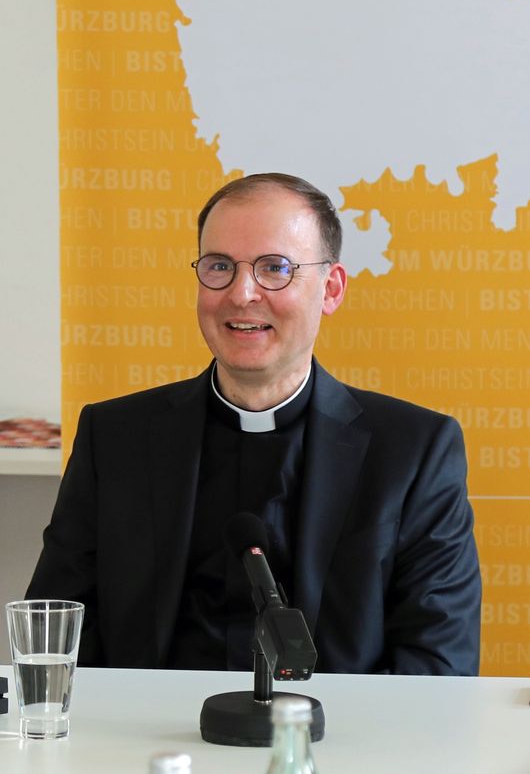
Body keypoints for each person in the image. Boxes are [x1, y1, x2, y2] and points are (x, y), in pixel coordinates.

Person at [26, 173, 481, 675]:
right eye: (220, 266)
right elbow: (56, 633)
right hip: (148, 741)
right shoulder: (114, 437)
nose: (242, 294)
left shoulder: (414, 450)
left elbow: (439, 662)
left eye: (275, 269)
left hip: (333, 743)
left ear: (330, 289)